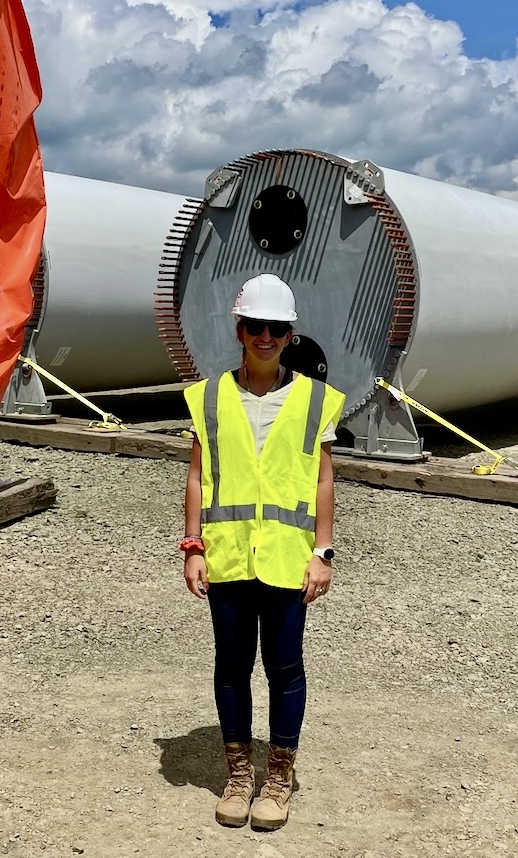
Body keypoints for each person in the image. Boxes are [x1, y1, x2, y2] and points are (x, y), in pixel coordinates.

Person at [180, 273, 345, 831]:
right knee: (231, 667)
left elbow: (323, 481)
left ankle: (278, 777)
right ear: (240, 329)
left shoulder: (316, 398)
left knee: (284, 667)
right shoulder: (208, 397)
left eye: (276, 328)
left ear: (290, 334)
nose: (265, 336)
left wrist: (322, 552)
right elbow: (199, 475)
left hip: (285, 557)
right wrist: (192, 545)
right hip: (226, 555)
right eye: (255, 326)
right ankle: (237, 774)